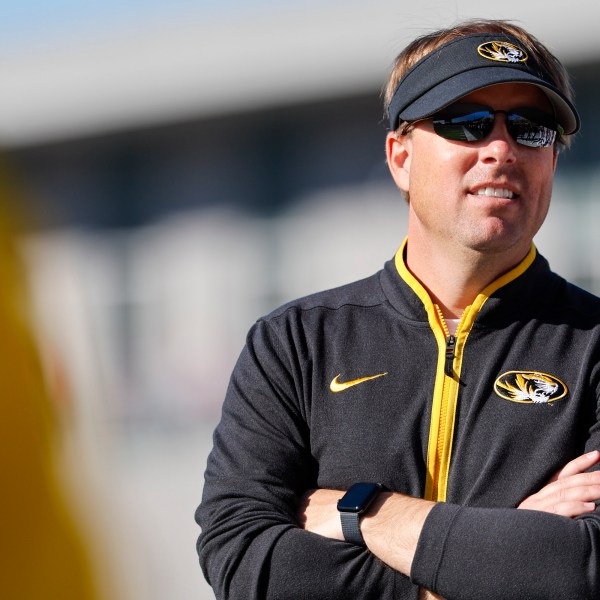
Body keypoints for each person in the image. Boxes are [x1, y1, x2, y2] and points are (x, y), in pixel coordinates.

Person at [196, 19, 600, 599]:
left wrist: (369, 513)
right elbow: (243, 562)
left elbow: (579, 570)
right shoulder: (295, 342)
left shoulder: (593, 346)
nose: (501, 148)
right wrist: (492, 557)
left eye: (532, 129)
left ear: (553, 162)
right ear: (400, 157)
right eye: (467, 122)